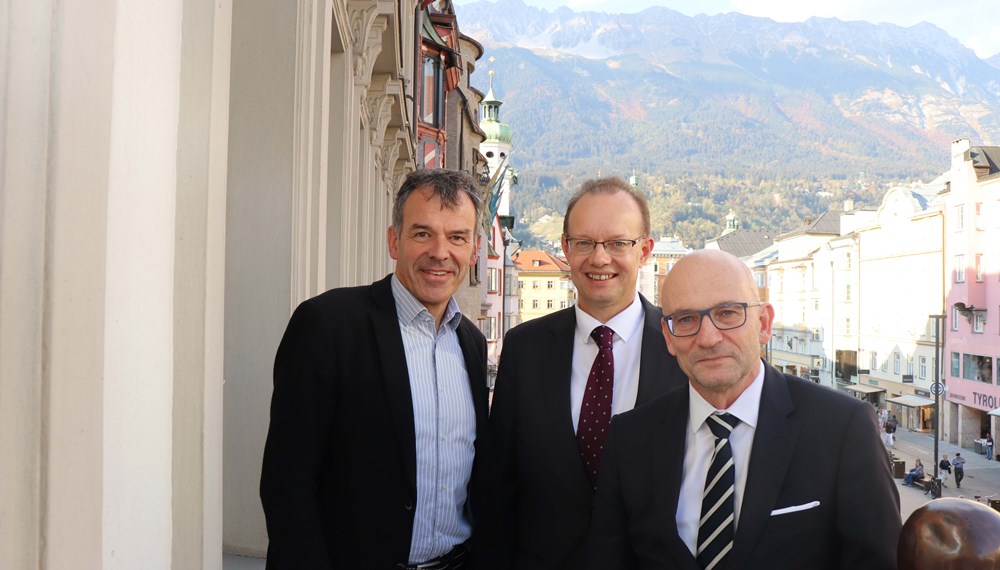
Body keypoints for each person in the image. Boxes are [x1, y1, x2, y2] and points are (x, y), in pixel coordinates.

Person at [586, 249, 901, 570]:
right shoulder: (631, 438)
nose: (708, 338)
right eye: (686, 320)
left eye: (727, 313)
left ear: (763, 324)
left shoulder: (842, 428)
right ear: (668, 337)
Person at [260, 169, 489, 569]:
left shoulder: (470, 342)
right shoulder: (327, 326)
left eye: (457, 237)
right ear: (393, 241)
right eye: (422, 233)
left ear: (474, 250)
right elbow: (286, 485)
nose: (440, 252)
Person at [480, 177, 686, 569]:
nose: (599, 258)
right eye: (585, 243)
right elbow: (497, 488)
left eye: (617, 243)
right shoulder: (524, 348)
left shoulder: (683, 349)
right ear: (566, 248)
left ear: (645, 251)